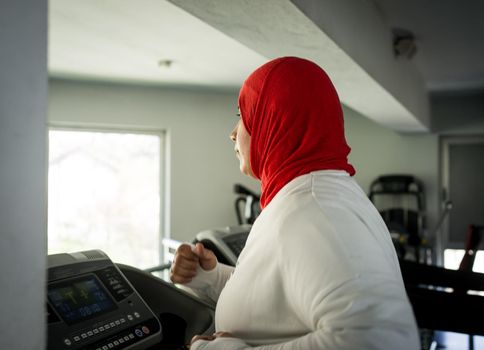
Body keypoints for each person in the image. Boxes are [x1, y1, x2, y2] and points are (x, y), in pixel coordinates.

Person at [170, 56, 420, 350]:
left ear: (274, 118)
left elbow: (382, 341)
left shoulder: (312, 211)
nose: (233, 132)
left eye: (243, 113)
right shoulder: (308, 195)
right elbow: (279, 306)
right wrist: (211, 279)